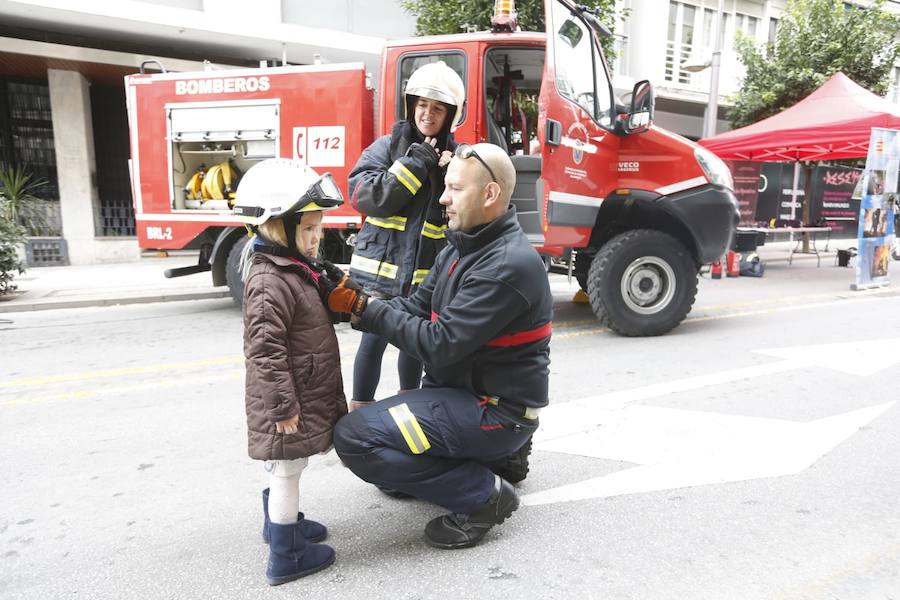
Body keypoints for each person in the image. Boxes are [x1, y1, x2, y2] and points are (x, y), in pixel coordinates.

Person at [328, 143, 553, 549]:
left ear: (489, 195)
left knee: (355, 438)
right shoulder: (460, 247)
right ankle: (498, 460)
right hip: (464, 394)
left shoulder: (505, 265)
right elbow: (414, 307)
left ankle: (483, 495)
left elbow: (439, 343)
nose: (443, 198)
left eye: (455, 189)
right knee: (388, 459)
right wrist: (353, 302)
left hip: (493, 411)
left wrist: (364, 308)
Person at [233, 158, 348, 586]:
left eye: (319, 227)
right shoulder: (269, 281)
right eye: (308, 228)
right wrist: (282, 408)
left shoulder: (291, 267)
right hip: (288, 402)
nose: (318, 237)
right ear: (277, 226)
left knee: (287, 469)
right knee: (286, 470)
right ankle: (287, 554)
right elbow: (264, 351)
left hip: (298, 393)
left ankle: (279, 524)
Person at [346, 60, 465, 410]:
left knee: (414, 346)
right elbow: (367, 198)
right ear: (411, 104)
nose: (427, 113)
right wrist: (416, 164)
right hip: (379, 273)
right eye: (422, 104)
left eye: (438, 108)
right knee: (372, 342)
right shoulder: (386, 148)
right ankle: (359, 416)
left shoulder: (456, 158)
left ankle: (408, 413)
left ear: (451, 114)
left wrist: (449, 173)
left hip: (424, 275)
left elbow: (462, 214)